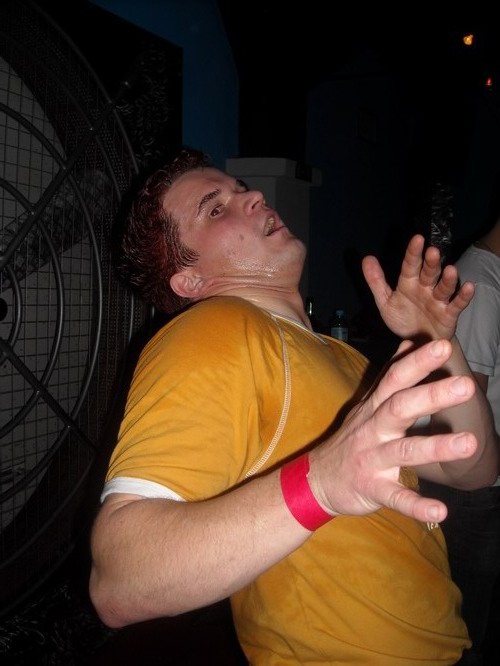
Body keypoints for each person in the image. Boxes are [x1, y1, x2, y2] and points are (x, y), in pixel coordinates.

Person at [89, 148, 498, 665]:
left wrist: (440, 341)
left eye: (240, 188)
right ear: (190, 281)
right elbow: (120, 581)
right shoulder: (212, 331)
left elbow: (473, 468)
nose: (254, 196)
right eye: (215, 209)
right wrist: (322, 483)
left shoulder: (339, 355)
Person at [420, 210, 500, 664]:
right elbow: (465, 398)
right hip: (472, 486)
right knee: (463, 624)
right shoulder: (482, 283)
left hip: (483, 475)